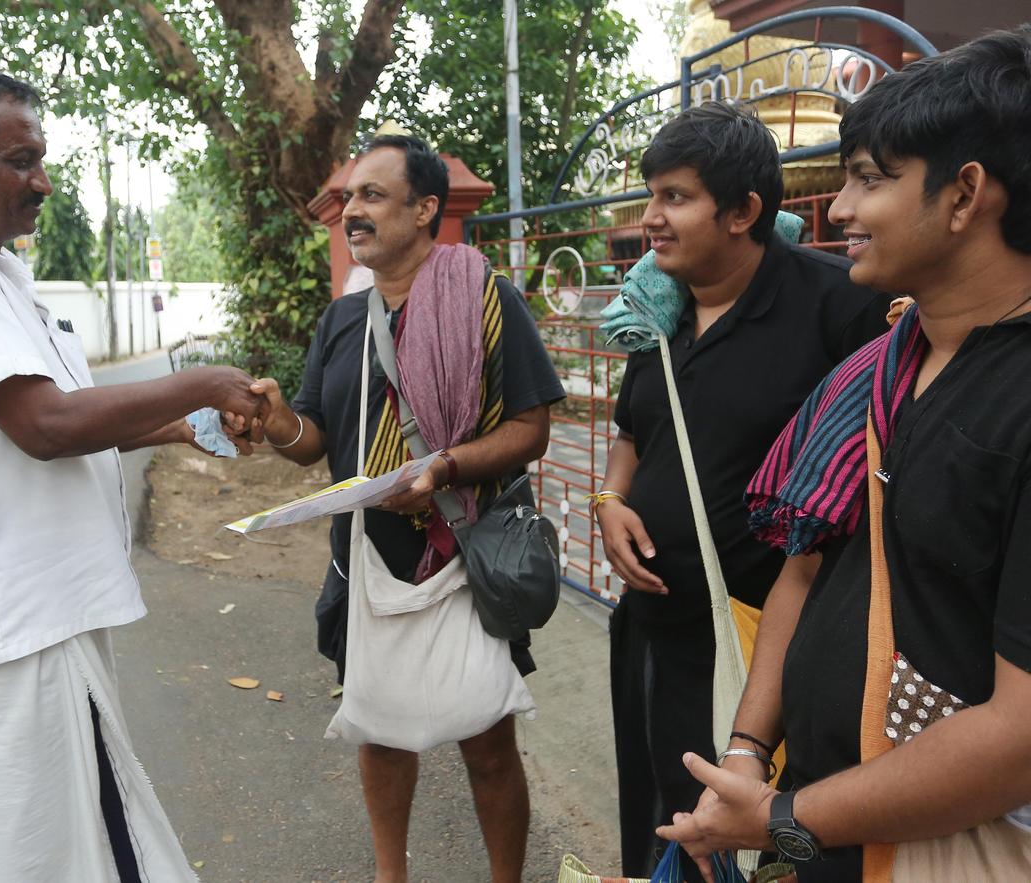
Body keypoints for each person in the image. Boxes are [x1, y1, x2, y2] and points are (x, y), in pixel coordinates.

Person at [0, 63, 262, 882]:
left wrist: (184, 426)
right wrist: (204, 381)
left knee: (77, 844)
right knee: (53, 856)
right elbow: (45, 425)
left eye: (41, 158)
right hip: (9, 627)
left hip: (38, 618)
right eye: (19, 160)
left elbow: (72, 420)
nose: (42, 181)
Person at [658, 26, 1031, 882]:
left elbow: (1019, 737)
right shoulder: (884, 366)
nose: (841, 209)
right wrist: (750, 752)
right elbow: (807, 566)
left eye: (872, 179)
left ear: (966, 193)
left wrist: (785, 817)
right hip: (827, 827)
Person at [248, 134, 565, 883]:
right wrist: (271, 419)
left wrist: (443, 467)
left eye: (372, 196)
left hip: (460, 549)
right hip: (364, 559)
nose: (352, 212)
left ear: (426, 209)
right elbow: (312, 440)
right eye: (350, 199)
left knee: (488, 743)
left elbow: (531, 429)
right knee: (381, 734)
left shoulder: (483, 297)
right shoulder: (341, 320)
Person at [593, 102, 890, 878]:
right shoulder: (657, 309)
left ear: (744, 211)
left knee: (759, 843)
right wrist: (610, 500)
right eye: (650, 194)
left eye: (675, 197)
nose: (651, 219)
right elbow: (633, 432)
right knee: (667, 820)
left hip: (771, 647)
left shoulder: (841, 305)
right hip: (657, 629)